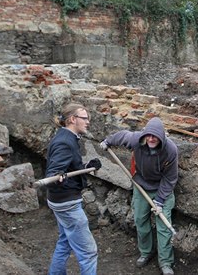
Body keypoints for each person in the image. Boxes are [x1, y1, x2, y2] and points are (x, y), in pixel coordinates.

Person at [100, 117, 179, 275]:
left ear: (161, 137)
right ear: (144, 135)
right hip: (141, 185)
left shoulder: (170, 150)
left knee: (164, 228)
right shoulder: (137, 139)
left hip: (162, 189)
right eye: (148, 135)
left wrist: (160, 200)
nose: (151, 139)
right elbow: (122, 136)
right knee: (140, 221)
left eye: (155, 136)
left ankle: (165, 262)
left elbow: (170, 179)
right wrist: (107, 141)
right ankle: (146, 252)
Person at [45, 102, 102, 275]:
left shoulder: (66, 137)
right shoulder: (64, 142)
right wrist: (57, 176)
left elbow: (67, 167)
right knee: (88, 252)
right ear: (72, 119)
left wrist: (87, 166)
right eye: (85, 118)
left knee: (65, 241)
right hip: (67, 204)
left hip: (59, 200)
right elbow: (53, 173)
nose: (88, 122)